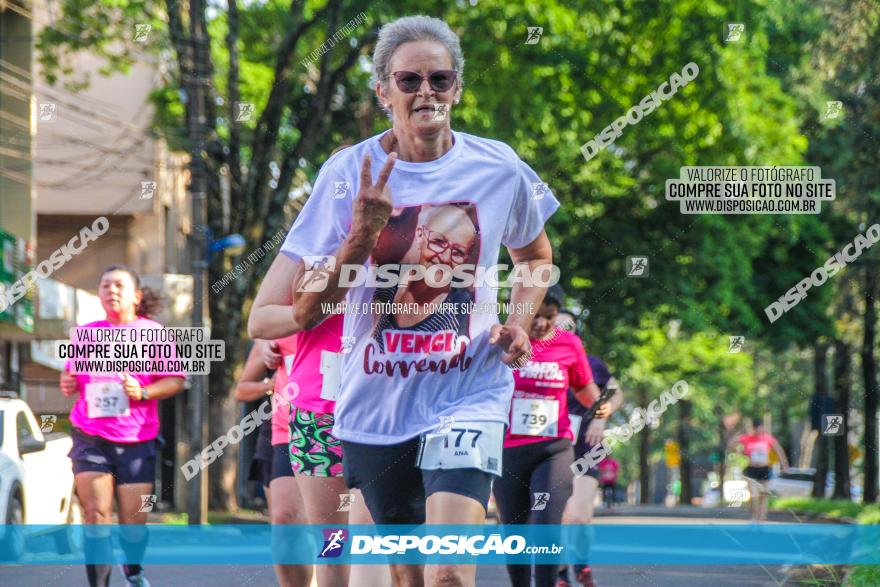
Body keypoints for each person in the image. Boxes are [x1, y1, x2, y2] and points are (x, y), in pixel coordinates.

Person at [275, 14, 558, 586]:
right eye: (409, 81)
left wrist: (519, 322)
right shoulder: (343, 174)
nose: (426, 92)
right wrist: (361, 234)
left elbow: (535, 261)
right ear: (383, 91)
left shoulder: (499, 168)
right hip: (376, 405)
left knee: (449, 572)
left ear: (457, 88)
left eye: (441, 79)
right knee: (406, 576)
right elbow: (303, 303)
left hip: (468, 391)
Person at [59, 265, 187, 587]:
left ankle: (133, 568)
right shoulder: (85, 334)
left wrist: (144, 391)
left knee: (134, 524)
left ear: (136, 295)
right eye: (104, 285)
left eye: (118, 285)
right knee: (95, 515)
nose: (111, 291)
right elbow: (72, 378)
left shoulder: (154, 333)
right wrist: (67, 381)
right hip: (90, 436)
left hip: (137, 439)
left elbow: (175, 380)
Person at [492, 291, 600, 587]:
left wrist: (602, 414)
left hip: (553, 449)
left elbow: (588, 392)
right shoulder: (499, 339)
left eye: (549, 317)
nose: (541, 324)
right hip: (507, 449)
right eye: (535, 315)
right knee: (514, 532)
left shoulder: (569, 344)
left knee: (546, 525)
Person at [234, 338, 313, 587]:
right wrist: (273, 383)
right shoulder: (274, 333)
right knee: (285, 519)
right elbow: (242, 390)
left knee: (322, 522)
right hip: (281, 428)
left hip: (335, 428)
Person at [557, 310, 623, 587]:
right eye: (553, 324)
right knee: (558, 516)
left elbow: (615, 392)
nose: (558, 330)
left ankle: (581, 565)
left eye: (566, 327)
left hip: (586, 446)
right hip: (551, 447)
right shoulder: (534, 358)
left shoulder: (592, 364)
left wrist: (601, 416)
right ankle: (560, 574)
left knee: (579, 517)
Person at [730, 417, 789, 522]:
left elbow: (778, 450)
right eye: (756, 428)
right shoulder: (747, 438)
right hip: (751, 470)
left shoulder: (768, 438)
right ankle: (753, 516)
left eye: (760, 428)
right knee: (753, 495)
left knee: (763, 494)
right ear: (753, 428)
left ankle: (761, 518)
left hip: (765, 469)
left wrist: (784, 465)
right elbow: (732, 443)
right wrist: (739, 451)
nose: (759, 430)